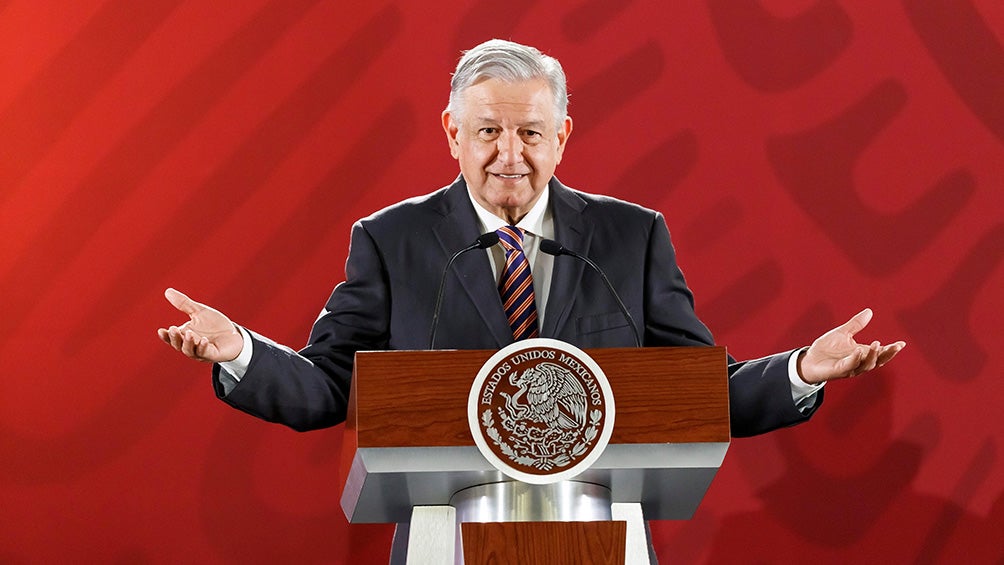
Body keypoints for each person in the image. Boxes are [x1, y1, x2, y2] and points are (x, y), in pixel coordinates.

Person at [158, 39, 904, 438]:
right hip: (444, 529)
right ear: (452, 132)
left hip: (602, 523)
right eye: (488, 131)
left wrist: (802, 369)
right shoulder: (391, 240)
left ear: (563, 136)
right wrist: (241, 351)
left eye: (531, 133)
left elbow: (700, 391)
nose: (509, 154)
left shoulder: (631, 237)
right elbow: (327, 388)